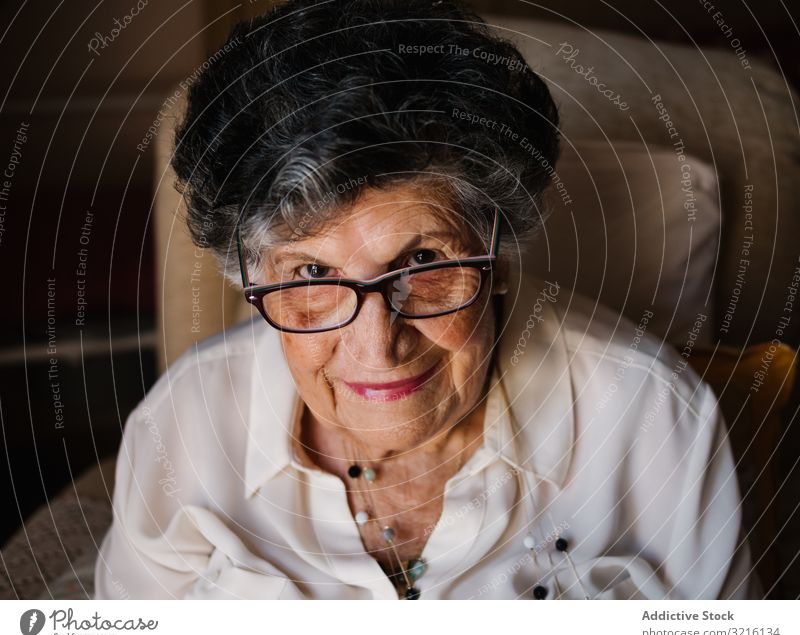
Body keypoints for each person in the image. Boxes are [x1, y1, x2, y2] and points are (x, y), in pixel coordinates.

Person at [94, 0, 757, 599]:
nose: (378, 343)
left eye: (422, 260)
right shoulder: (184, 422)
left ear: (495, 250)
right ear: (253, 275)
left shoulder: (652, 421)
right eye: (311, 273)